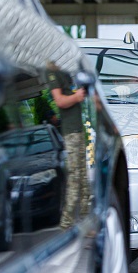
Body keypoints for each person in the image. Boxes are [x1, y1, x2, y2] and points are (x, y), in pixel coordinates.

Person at [47, 62, 90, 230]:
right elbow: (59, 101)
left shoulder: (65, 69)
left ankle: (86, 222)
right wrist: (77, 96)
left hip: (78, 130)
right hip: (71, 132)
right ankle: (66, 224)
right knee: (75, 178)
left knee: (83, 179)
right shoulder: (51, 70)